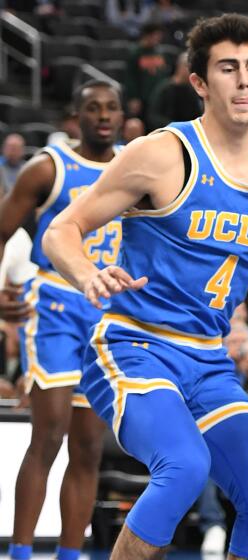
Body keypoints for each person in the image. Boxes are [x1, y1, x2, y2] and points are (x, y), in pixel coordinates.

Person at [40, 15, 248, 559]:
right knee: (185, 466)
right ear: (199, 83)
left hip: (210, 362)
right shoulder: (161, 154)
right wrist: (86, 274)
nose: (242, 81)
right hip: (133, 346)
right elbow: (61, 229)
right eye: (227, 69)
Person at [0, 81, 124, 560]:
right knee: (48, 433)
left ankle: (72, 554)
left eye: (111, 107)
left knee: (89, 445)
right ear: (75, 115)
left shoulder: (136, 167)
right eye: (92, 107)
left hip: (105, 309)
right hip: (52, 300)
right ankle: (21, 552)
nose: (103, 115)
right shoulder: (48, 167)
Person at [124, 22, 170, 121]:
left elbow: (164, 74)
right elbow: (130, 77)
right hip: (143, 98)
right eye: (156, 36)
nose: (158, 39)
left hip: (158, 97)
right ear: (147, 36)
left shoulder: (159, 53)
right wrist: (133, 97)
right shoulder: (135, 53)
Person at [147, 51, 203, 131]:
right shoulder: (164, 89)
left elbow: (197, 116)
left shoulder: (192, 91)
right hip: (166, 132)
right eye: (190, 68)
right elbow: (153, 116)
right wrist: (174, 127)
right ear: (180, 67)